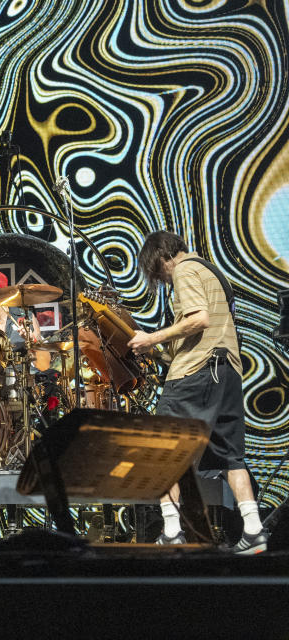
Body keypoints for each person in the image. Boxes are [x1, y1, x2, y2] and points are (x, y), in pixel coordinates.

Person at [127, 230, 265, 553]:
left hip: (198, 373)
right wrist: (158, 352)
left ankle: (172, 532)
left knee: (161, 449)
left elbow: (199, 319)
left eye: (158, 272)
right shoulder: (212, 273)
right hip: (227, 372)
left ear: (163, 258)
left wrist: (152, 338)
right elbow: (203, 328)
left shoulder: (185, 269)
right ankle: (255, 530)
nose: (162, 279)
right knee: (232, 457)